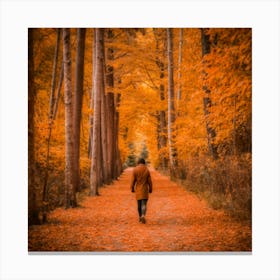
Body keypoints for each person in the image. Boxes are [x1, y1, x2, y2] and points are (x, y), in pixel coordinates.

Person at [130, 158, 153, 224]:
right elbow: (150, 181)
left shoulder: (135, 169)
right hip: (145, 189)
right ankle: (143, 215)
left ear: (138, 162)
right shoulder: (147, 170)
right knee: (144, 204)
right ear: (144, 162)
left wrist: (132, 188)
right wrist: (151, 189)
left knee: (139, 205)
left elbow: (133, 180)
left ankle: (140, 217)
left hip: (138, 190)